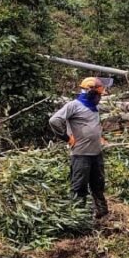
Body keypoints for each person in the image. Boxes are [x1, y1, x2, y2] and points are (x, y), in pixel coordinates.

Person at [49, 77, 110, 219]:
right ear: (91, 92)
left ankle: (102, 211)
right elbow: (54, 121)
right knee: (79, 187)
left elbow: (92, 126)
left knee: (98, 184)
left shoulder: (94, 107)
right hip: (81, 155)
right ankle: (79, 217)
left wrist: (99, 138)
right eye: (99, 95)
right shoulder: (73, 106)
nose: (100, 98)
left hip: (96, 153)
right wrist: (67, 138)